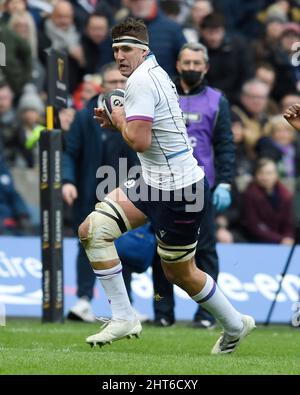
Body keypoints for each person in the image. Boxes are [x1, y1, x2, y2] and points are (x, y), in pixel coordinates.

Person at [79, 17, 255, 353]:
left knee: (181, 273)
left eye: (127, 48)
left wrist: (118, 117)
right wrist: (121, 122)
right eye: (115, 49)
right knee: (92, 229)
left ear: (143, 50)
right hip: (153, 181)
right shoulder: (152, 74)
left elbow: (141, 141)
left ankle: (235, 325)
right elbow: (147, 134)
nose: (120, 56)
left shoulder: (142, 82)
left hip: (180, 191)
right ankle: (123, 315)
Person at [151, 42, 235, 328]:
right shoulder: (162, 92)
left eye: (196, 63)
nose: (191, 68)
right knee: (160, 250)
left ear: (206, 67)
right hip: (162, 184)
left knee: (206, 250)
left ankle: (205, 315)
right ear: (177, 64)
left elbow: (225, 145)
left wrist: (224, 182)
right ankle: (162, 312)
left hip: (201, 187)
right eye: (186, 62)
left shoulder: (216, 100)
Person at [63, 62, 138, 323]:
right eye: (111, 83)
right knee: (86, 243)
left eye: (121, 82)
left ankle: (125, 303)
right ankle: (84, 299)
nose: (117, 87)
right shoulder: (85, 116)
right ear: (101, 86)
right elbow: (70, 151)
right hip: (88, 191)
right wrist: (68, 181)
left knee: (123, 247)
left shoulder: (134, 114)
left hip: (123, 192)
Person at [241, 158, 294, 245]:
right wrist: (280, 239)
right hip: (257, 242)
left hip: (284, 243)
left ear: (276, 175)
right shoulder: (249, 194)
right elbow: (253, 226)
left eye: (269, 173)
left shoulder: (286, 196)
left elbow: (289, 223)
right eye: (261, 173)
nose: (265, 177)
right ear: (256, 175)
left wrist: (288, 237)